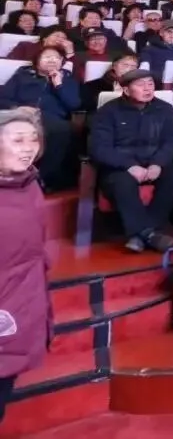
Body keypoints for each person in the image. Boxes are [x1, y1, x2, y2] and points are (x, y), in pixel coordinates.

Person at [89, 69, 173, 253]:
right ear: (126, 90)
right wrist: (129, 166)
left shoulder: (164, 109)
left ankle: (143, 233)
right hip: (120, 167)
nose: (147, 89)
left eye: (150, 84)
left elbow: (171, 141)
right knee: (122, 182)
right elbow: (100, 148)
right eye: (140, 85)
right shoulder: (108, 111)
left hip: (153, 162)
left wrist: (158, 163)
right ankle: (150, 234)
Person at [0, 109, 50, 424]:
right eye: (18, 140)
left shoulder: (29, 183)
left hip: (23, 300)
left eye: (33, 139)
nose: (29, 147)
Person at [0, 46, 81, 191]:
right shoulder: (22, 76)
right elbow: (3, 98)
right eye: (47, 57)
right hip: (18, 115)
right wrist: (18, 108)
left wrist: (59, 85)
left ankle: (42, 179)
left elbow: (74, 105)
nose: (52, 60)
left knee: (63, 130)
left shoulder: (68, 80)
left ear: (62, 62)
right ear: (37, 62)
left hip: (51, 119)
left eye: (56, 58)